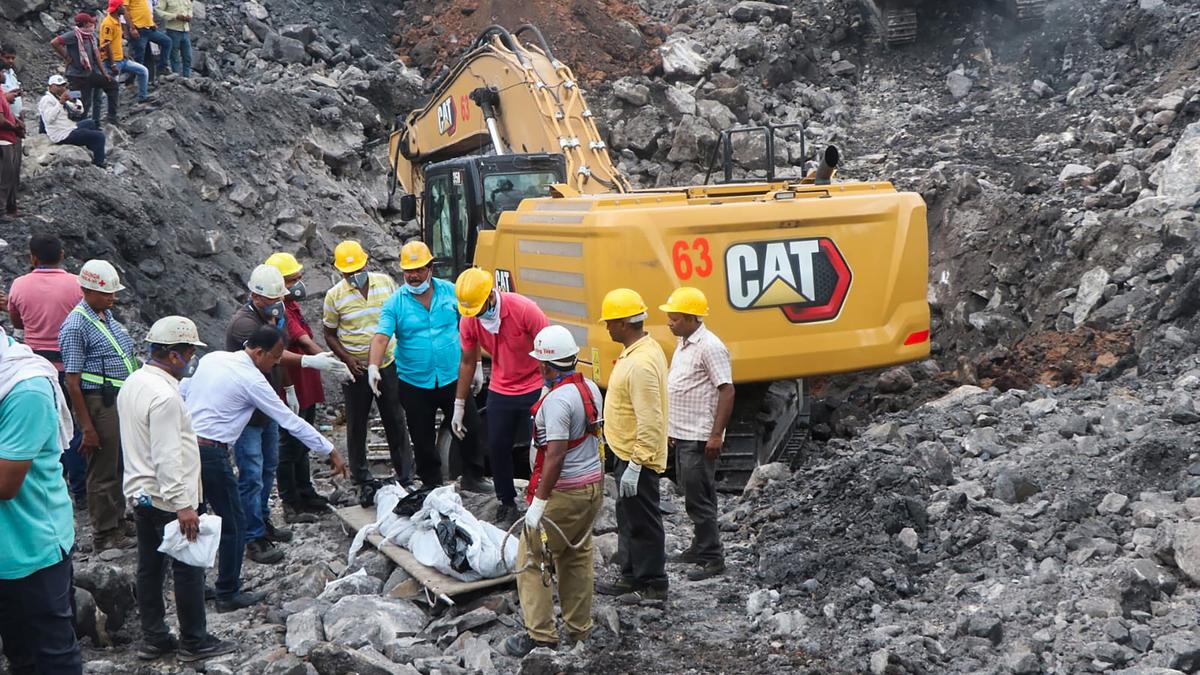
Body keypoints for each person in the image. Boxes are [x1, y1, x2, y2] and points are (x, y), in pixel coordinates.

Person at [185, 326, 347, 612]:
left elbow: (184, 390)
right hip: (212, 453)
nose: (275, 364)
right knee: (233, 525)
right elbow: (288, 420)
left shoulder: (213, 359)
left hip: (185, 447)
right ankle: (227, 592)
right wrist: (329, 449)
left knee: (195, 519)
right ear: (258, 352)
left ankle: (194, 586)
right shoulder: (251, 380)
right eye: (274, 358)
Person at [118, 316, 236, 662]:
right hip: (169, 498)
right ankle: (194, 641)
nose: (191, 360)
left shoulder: (135, 382)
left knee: (150, 568)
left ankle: (154, 637)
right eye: (189, 353)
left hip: (141, 493)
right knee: (187, 569)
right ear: (173, 355)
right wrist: (184, 505)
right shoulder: (166, 396)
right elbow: (167, 455)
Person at [225, 264, 349, 564]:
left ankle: (263, 523)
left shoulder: (274, 313)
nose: (278, 302)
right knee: (252, 474)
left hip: (266, 403)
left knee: (268, 468)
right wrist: (310, 362)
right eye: (272, 298)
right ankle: (253, 538)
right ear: (255, 296)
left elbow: (278, 358)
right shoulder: (244, 325)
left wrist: (289, 388)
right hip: (246, 412)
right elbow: (275, 354)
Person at [505, 326, 604, 657]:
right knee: (576, 554)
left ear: (547, 366)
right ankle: (579, 630)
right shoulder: (589, 387)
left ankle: (541, 636)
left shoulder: (558, 401)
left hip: (565, 493)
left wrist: (539, 504)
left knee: (533, 556)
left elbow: (556, 454)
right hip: (591, 489)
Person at [369, 241, 486, 492]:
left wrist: (476, 364)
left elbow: (470, 330)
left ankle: (473, 476)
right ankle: (431, 481)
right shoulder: (395, 303)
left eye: (419, 269)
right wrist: (373, 366)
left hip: (452, 376)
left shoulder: (451, 292)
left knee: (470, 426)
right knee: (421, 435)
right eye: (408, 271)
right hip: (414, 381)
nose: (413, 276)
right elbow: (381, 336)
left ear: (430, 267)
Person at [0, 325, 82, 674]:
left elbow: (6, 483)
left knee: (50, 654)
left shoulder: (25, 388)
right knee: (20, 654)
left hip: (30, 547)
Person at [454, 266, 549, 524]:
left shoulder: (524, 310)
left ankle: (542, 501)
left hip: (533, 385)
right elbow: (467, 361)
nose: (475, 315)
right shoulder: (470, 317)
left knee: (541, 447)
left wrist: (548, 389)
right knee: (496, 447)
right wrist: (459, 404)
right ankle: (506, 501)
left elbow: (548, 349)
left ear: (491, 296)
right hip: (502, 387)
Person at [594, 288, 669, 601]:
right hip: (626, 452)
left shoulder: (641, 364)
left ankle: (653, 583)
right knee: (629, 518)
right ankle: (631, 575)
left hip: (637, 457)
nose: (607, 327)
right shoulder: (640, 351)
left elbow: (650, 420)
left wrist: (637, 464)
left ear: (625, 323)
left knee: (644, 521)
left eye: (611, 322)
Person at [59, 259, 138, 551]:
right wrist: (87, 427)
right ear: (87, 290)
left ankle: (116, 519)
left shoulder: (105, 316)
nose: (112, 297)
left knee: (116, 462)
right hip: (98, 403)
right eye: (106, 293)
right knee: (102, 467)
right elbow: (73, 381)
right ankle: (104, 533)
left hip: (115, 400)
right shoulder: (76, 325)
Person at [322, 240, 413, 489]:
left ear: (366, 263)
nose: (354, 276)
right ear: (340, 271)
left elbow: (398, 316)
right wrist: (348, 360)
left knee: (395, 418)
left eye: (358, 270)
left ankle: (405, 475)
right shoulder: (335, 296)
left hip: (387, 362)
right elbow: (329, 333)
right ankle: (361, 478)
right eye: (349, 273)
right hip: (357, 368)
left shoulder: (384, 283)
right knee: (357, 423)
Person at [660, 287, 734, 581]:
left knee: (699, 497)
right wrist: (672, 429)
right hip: (684, 432)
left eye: (675, 318)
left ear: (692, 318)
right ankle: (700, 546)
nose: (669, 322)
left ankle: (712, 557)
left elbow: (726, 390)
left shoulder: (709, 346)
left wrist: (716, 435)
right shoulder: (685, 342)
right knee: (694, 494)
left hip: (700, 436)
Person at [7, 234, 87, 500]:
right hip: (73, 365)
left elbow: (17, 323)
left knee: (52, 424)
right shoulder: (77, 284)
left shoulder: (19, 285)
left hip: (37, 367)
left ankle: (52, 481)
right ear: (62, 255)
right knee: (75, 425)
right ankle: (79, 488)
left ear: (32, 258)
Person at [265, 252, 330, 520]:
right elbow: (302, 341)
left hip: (305, 381)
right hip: (291, 382)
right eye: (293, 279)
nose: (300, 283)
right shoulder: (278, 312)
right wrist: (328, 360)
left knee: (304, 439)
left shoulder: (290, 306)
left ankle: (306, 491)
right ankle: (291, 502)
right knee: (289, 444)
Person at [50, 13, 120, 127]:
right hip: (76, 76)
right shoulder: (73, 35)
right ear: (87, 23)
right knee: (82, 102)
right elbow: (55, 42)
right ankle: (69, 118)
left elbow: (96, 57)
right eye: (91, 23)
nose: (93, 25)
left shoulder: (91, 37)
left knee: (112, 85)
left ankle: (112, 118)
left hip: (88, 74)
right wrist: (66, 56)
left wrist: (104, 74)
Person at [40, 74, 107, 167]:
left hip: (69, 127)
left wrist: (75, 101)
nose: (62, 88)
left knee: (91, 123)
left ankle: (93, 151)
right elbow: (49, 119)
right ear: (51, 87)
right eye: (59, 86)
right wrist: (60, 103)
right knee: (99, 136)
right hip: (62, 134)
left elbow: (80, 111)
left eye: (63, 85)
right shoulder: (47, 100)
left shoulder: (59, 96)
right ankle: (99, 163)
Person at [100, 0, 152, 103]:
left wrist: (124, 54)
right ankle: (109, 111)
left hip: (121, 59)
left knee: (143, 71)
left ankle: (143, 97)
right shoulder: (108, 23)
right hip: (112, 61)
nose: (124, 8)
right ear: (118, 8)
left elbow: (117, 42)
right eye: (122, 6)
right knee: (112, 87)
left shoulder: (117, 20)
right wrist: (112, 64)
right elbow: (107, 44)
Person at [125, 0, 173, 82]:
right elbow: (125, 10)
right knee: (139, 56)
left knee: (167, 42)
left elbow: (145, 10)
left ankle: (161, 68)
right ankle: (134, 80)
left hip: (149, 28)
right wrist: (132, 28)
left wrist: (151, 22)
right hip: (138, 29)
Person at [0, 44, 22, 220]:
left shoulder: (11, 73)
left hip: (13, 127)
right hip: (5, 133)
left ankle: (12, 206)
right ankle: (5, 210)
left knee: (13, 171)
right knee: (5, 176)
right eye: (7, 58)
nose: (10, 61)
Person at [155, 0, 192, 77]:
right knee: (174, 56)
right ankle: (176, 77)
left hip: (185, 30)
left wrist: (189, 16)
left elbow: (189, 8)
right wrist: (174, 16)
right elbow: (158, 10)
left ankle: (187, 77)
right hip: (173, 30)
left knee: (187, 56)